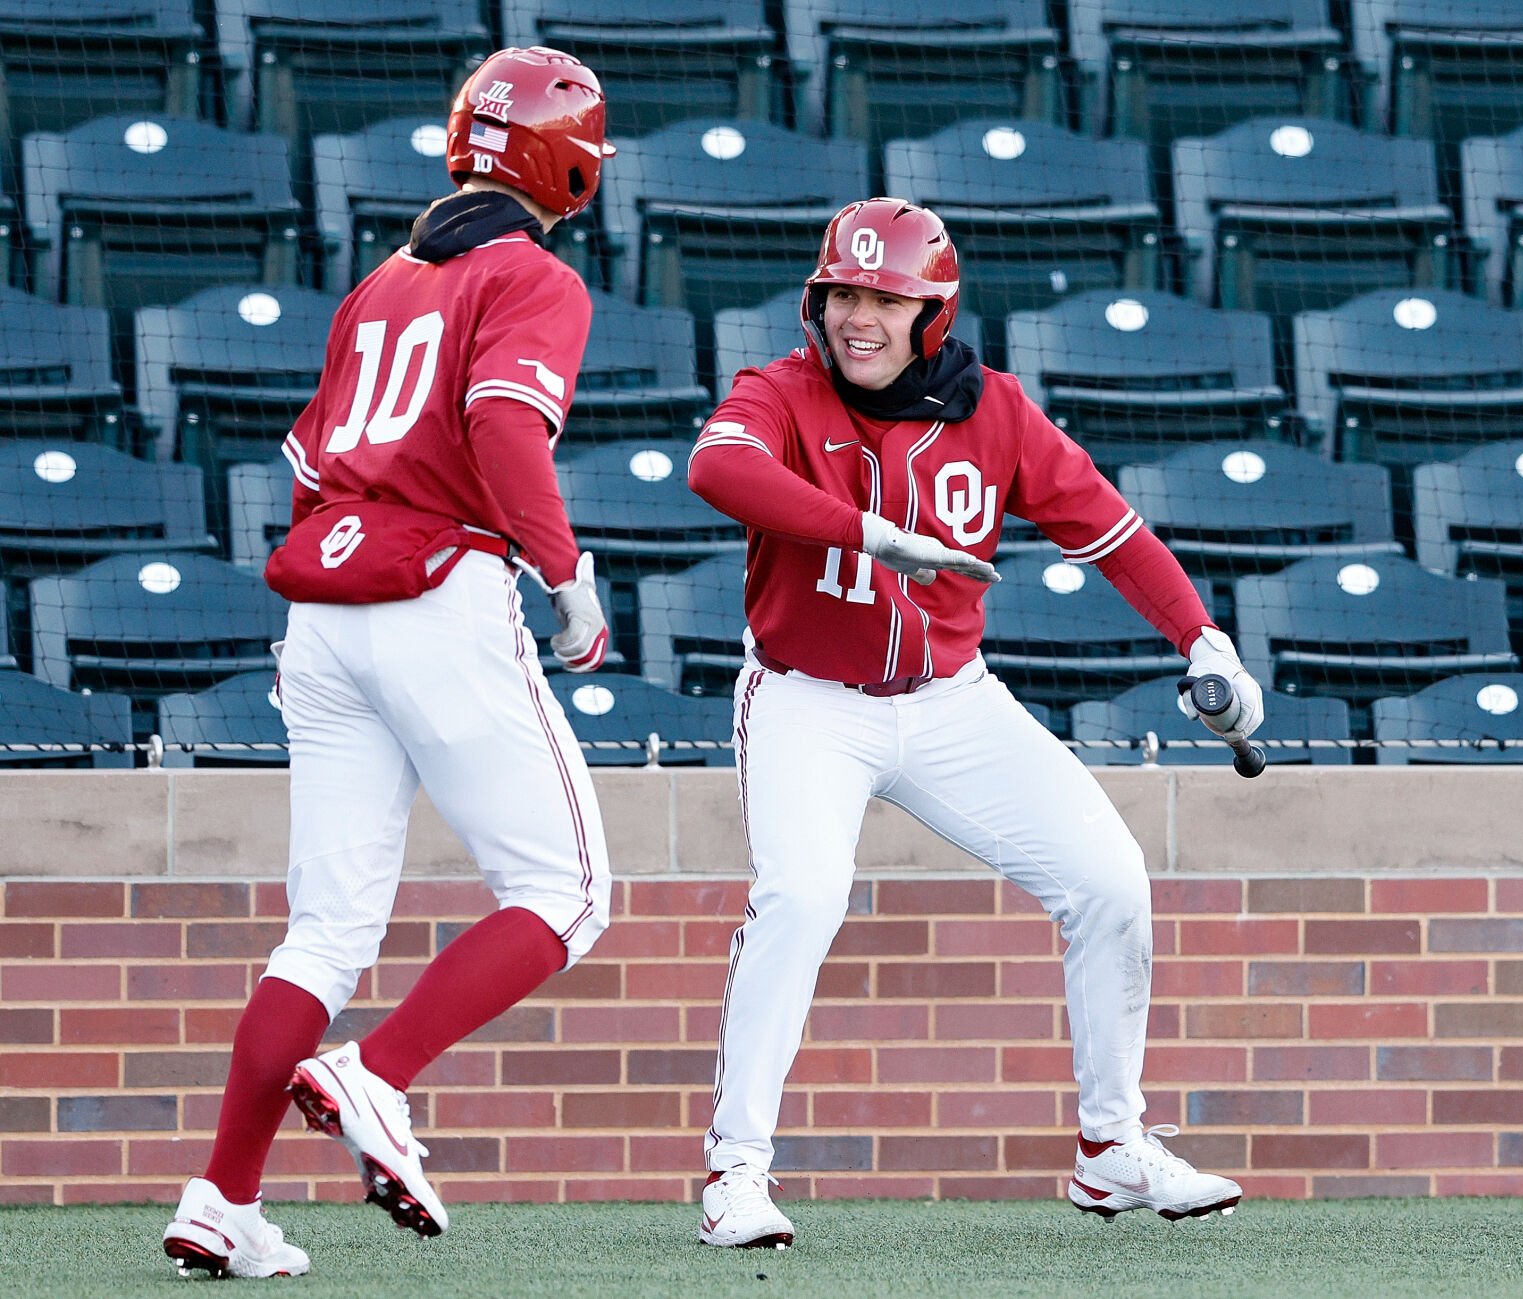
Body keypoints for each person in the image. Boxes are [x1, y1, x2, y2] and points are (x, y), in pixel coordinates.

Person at [686, 198, 1265, 1249]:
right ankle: (736, 1170)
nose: (858, 318)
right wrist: (870, 535)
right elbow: (716, 470)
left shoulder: (992, 408)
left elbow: (1108, 529)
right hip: (805, 700)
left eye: (886, 299)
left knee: (1108, 883)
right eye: (843, 295)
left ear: (931, 312)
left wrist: (1202, 640)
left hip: (951, 701)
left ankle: (1109, 1153)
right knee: (801, 897)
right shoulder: (778, 388)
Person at [161, 46, 616, 1278]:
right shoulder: (532, 275)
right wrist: (567, 584)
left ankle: (222, 1198)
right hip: (438, 593)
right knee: (568, 893)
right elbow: (503, 426)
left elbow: (307, 468)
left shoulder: (378, 283)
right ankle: (376, 1074)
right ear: (562, 160)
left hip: (324, 606)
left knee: (323, 931)